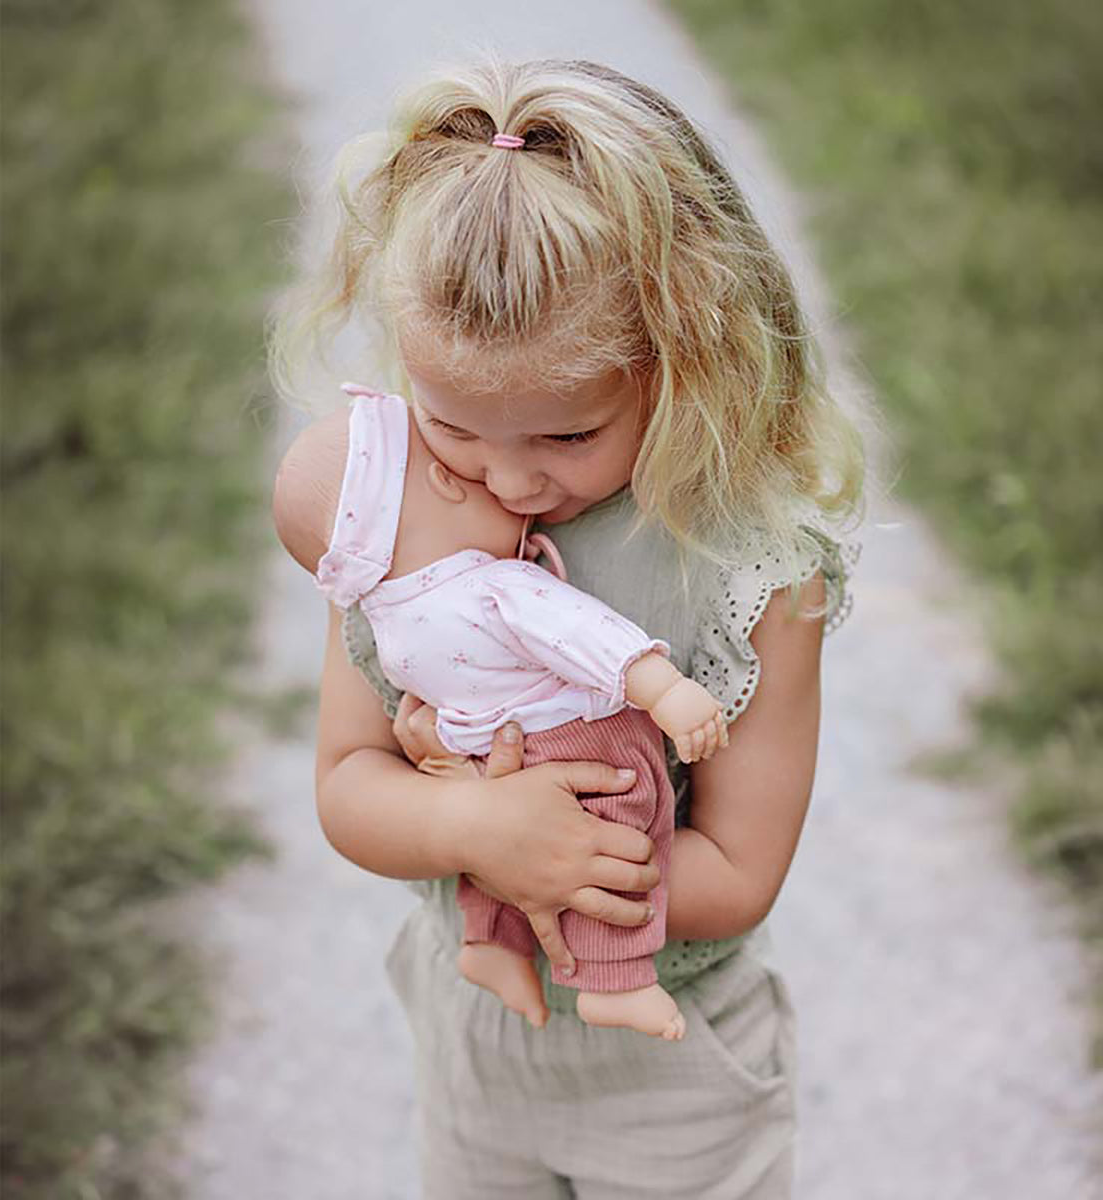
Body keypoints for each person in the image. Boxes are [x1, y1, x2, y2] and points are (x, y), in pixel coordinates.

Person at [267, 54, 865, 1200]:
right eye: (454, 428)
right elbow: (348, 778)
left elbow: (740, 871)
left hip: (675, 1069)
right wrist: (472, 829)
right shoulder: (393, 518)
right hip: (475, 1040)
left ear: (686, 357)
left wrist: (557, 857)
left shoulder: (757, 571)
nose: (508, 480)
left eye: (566, 437)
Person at [276, 379, 729, 1037]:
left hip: (487, 754)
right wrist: (663, 688)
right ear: (445, 481)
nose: (513, 491)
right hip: (574, 742)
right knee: (627, 808)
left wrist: (473, 805)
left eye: (568, 435)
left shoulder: (390, 625)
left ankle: (487, 943)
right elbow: (582, 634)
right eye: (462, 445)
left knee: (499, 804)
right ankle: (616, 978)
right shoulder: (498, 584)